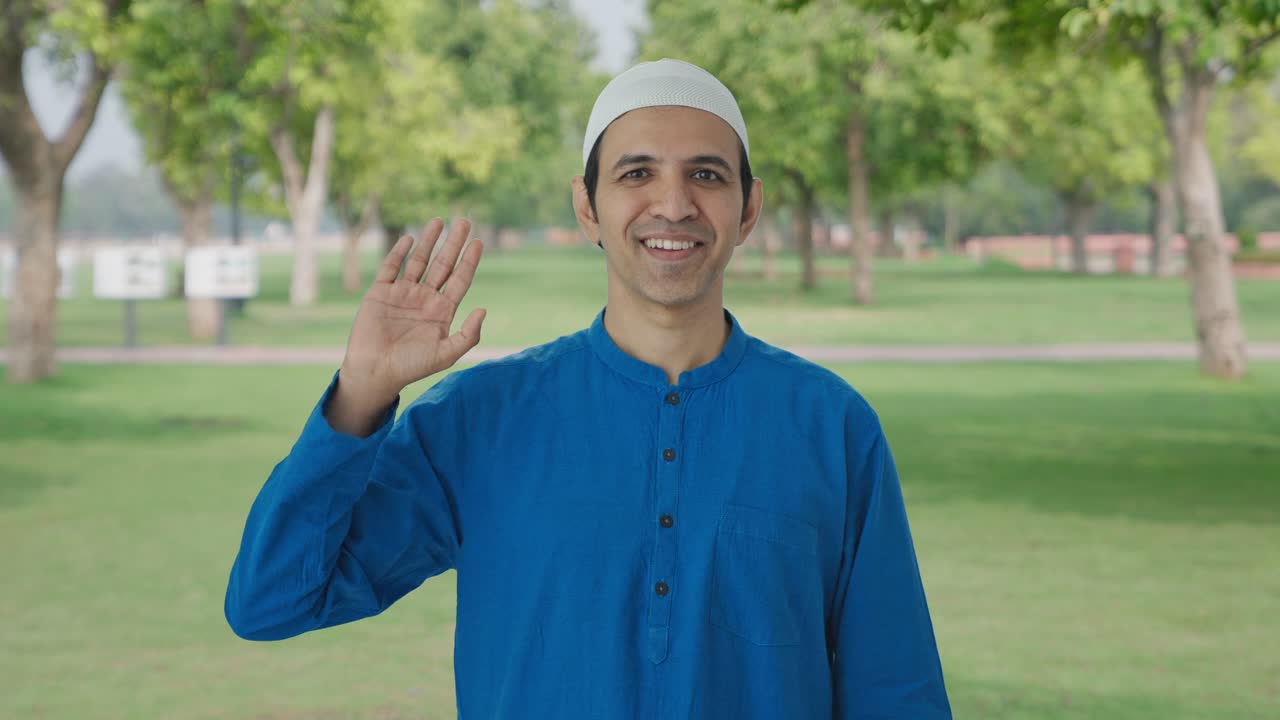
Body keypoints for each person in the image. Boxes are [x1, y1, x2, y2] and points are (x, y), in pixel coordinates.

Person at [225, 58, 951, 719]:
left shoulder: (830, 426)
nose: (674, 205)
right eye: (637, 174)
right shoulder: (478, 421)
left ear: (749, 209)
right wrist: (360, 393)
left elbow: (897, 691)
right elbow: (272, 600)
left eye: (706, 175)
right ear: (587, 206)